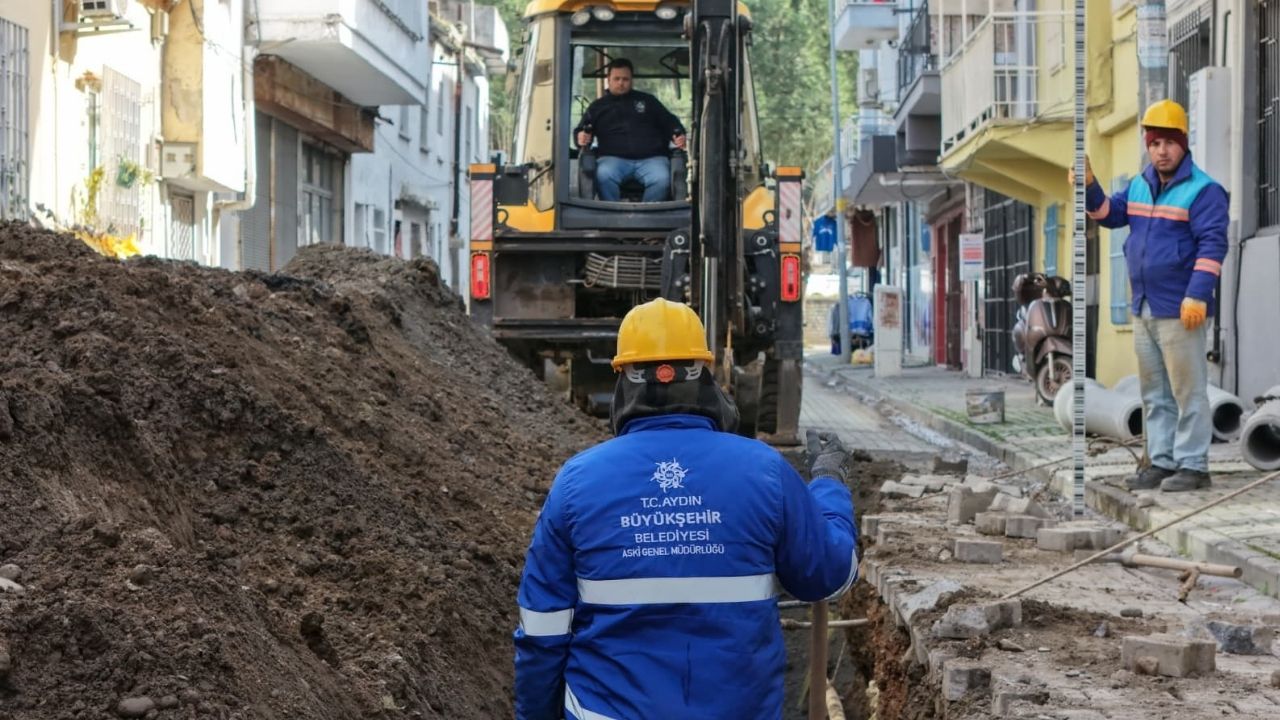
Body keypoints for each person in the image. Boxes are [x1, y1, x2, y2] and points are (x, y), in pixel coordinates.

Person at [513, 298, 858, 720]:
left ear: (623, 381)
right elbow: (828, 575)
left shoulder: (577, 482)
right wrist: (829, 484)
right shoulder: (764, 470)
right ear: (705, 376)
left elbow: (542, 631)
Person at [1075, 99, 1228, 492]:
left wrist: (1197, 295)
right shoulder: (1141, 184)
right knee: (1154, 393)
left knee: (1187, 391)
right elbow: (1110, 214)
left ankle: (1194, 466)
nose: (1161, 151)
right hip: (1143, 306)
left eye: (1169, 143)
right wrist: (1090, 187)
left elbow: (1213, 245)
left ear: (1183, 143)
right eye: (1155, 142)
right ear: (1148, 143)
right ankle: (1160, 461)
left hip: (1181, 310)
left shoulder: (1204, 191)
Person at [575, 59, 687, 202]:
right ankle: (614, 217)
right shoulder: (597, 107)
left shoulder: (648, 101)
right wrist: (580, 136)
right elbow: (580, 130)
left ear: (631, 80)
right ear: (608, 80)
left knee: (663, 179)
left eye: (625, 79)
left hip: (651, 159)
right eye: (617, 79)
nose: (621, 83)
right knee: (603, 176)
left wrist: (678, 133)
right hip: (612, 159)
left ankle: (646, 216)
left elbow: (670, 122)